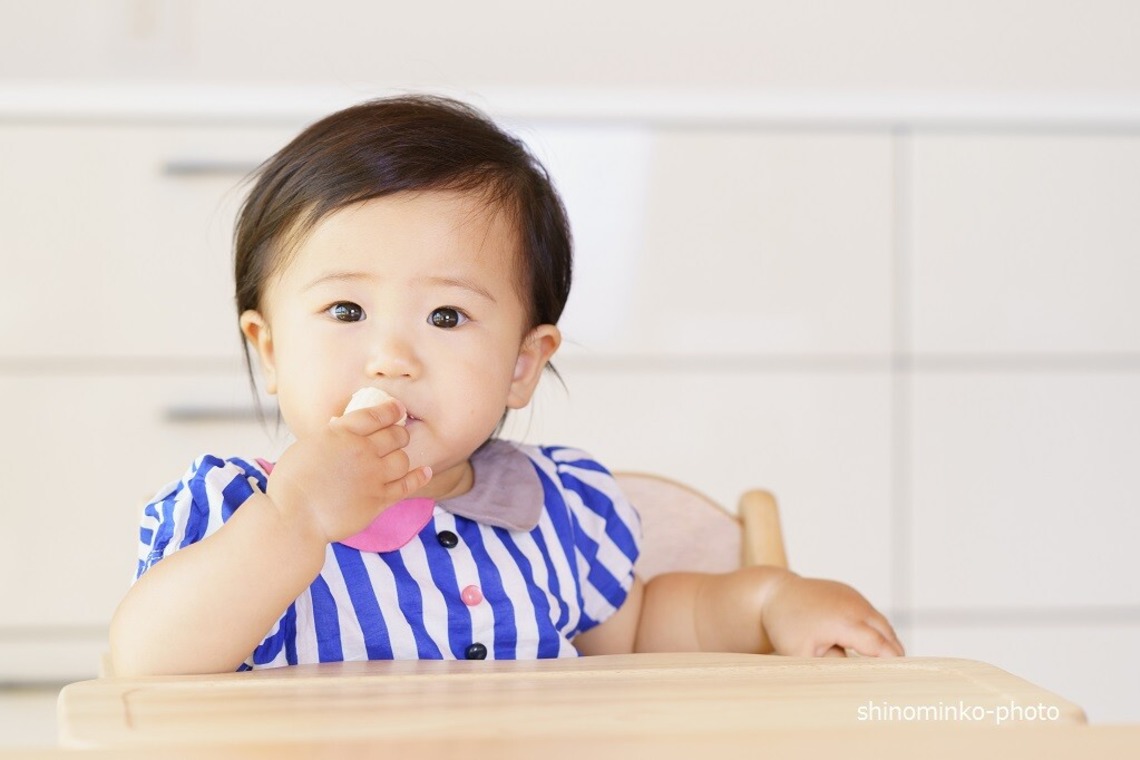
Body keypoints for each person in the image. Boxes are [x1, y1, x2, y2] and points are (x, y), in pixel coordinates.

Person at [110, 95, 903, 676]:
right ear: (270, 349)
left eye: (447, 317)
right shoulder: (236, 514)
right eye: (346, 309)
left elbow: (641, 631)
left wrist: (767, 604)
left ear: (522, 364)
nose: (391, 357)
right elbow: (145, 664)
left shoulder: (555, 512)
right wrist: (297, 517)